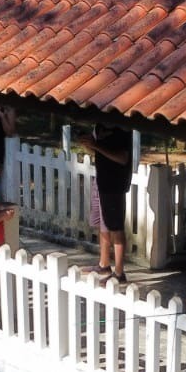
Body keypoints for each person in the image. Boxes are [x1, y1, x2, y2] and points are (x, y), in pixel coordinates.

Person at [79, 122, 132, 284]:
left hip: (115, 184)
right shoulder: (100, 124)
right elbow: (97, 150)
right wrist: (90, 145)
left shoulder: (122, 128)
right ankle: (104, 265)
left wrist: (97, 146)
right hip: (102, 180)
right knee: (105, 225)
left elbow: (123, 158)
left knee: (116, 227)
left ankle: (119, 273)